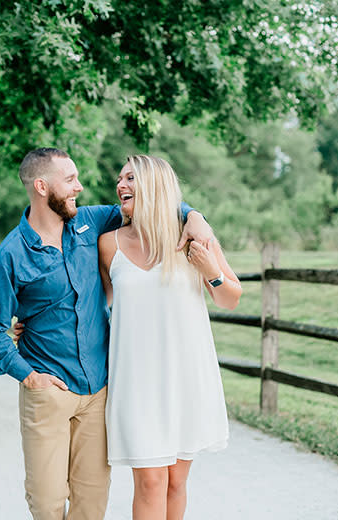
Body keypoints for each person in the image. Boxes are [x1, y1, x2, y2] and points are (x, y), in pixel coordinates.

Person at [0, 148, 212, 520]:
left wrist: (194, 216)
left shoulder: (90, 224)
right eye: (69, 180)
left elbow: (155, 200)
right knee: (48, 502)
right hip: (48, 390)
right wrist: (28, 375)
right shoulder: (9, 256)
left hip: (99, 390)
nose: (79, 187)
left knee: (91, 504)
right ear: (41, 186)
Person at [97, 154, 242, 520]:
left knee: (176, 482)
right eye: (120, 179)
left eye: (130, 178)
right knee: (149, 483)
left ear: (155, 185)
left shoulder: (194, 237)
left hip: (187, 377)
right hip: (136, 382)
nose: (121, 185)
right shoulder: (108, 245)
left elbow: (230, 298)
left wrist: (211, 270)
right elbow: (93, 308)